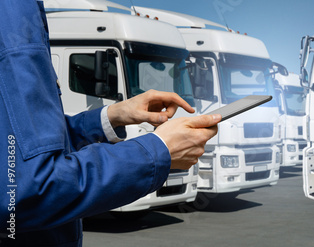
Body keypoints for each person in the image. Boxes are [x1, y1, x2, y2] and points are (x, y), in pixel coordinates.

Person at [0, 1, 220, 246]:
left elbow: (21, 148)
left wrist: (111, 117)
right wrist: (158, 151)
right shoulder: (13, 12)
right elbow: (26, 192)